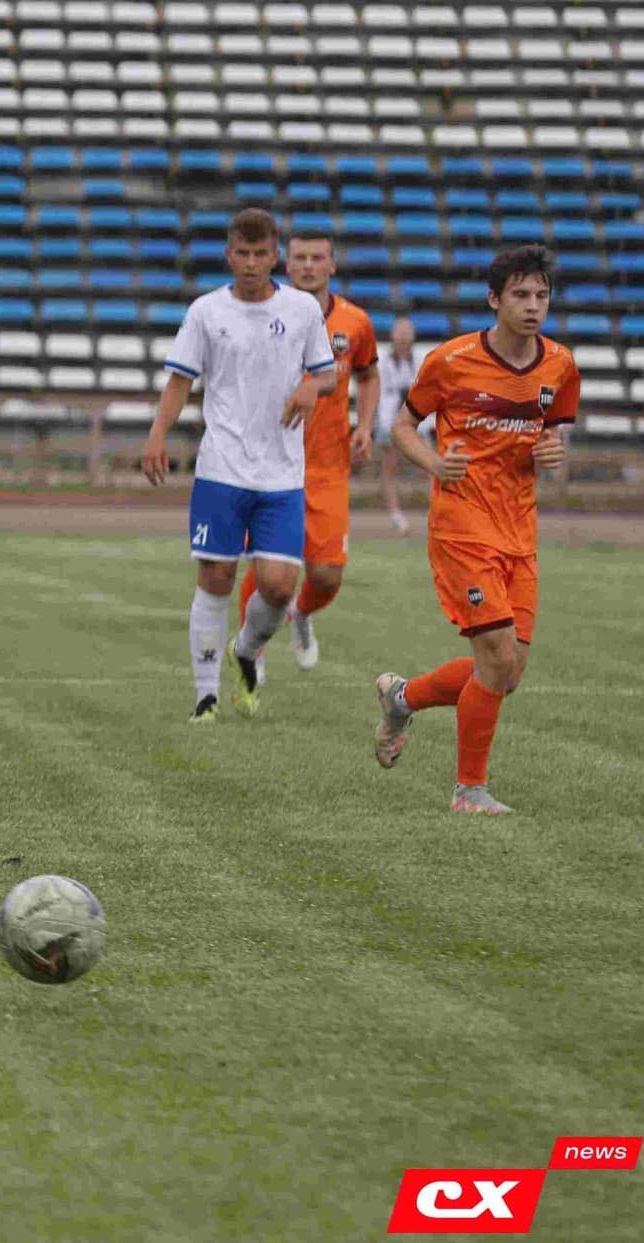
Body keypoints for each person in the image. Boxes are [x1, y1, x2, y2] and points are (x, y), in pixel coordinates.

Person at [373, 244, 578, 814]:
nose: (533, 305)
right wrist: (435, 463)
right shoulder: (451, 360)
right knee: (496, 656)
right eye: (521, 294)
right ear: (494, 299)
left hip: (520, 528)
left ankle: (402, 697)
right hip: (462, 524)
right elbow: (403, 427)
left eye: (541, 295)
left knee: (506, 671)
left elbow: (552, 437)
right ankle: (469, 791)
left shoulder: (560, 365)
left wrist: (552, 451)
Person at [142, 209, 338, 723]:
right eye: (243, 253)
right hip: (221, 468)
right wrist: (158, 433)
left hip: (281, 474)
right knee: (216, 577)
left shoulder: (301, 310)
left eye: (260, 254)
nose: (251, 263)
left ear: (275, 257)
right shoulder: (206, 312)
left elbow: (328, 374)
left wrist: (311, 386)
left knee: (279, 585)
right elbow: (180, 380)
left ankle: (246, 650)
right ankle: (205, 698)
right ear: (229, 255)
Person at [236, 230, 380, 673]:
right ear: (287, 263)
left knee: (326, 576)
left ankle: (301, 614)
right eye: (300, 257)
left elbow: (368, 375)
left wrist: (365, 425)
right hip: (270, 464)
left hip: (328, 467)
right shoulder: (260, 316)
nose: (308, 266)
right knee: (269, 570)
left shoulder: (355, 323)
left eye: (318, 258)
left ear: (332, 265)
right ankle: (251, 651)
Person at [374, 317, 422, 533]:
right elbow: (380, 392)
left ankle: (437, 509)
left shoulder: (419, 360)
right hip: (389, 422)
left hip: (416, 423)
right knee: (389, 468)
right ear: (392, 335)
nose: (402, 337)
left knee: (430, 464)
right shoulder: (382, 362)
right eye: (399, 332)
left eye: (406, 332)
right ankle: (395, 514)